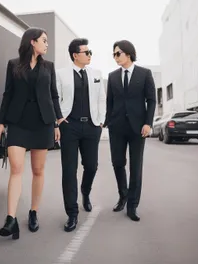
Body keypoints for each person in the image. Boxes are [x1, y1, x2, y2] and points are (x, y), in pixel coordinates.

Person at [0, 27, 62, 239]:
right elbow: (8, 93)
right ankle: (10, 218)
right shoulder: (13, 64)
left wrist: (57, 123)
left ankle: (33, 212)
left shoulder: (49, 67)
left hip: (43, 121)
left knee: (38, 170)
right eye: (44, 40)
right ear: (32, 42)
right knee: (16, 169)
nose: (47, 44)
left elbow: (53, 96)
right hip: (18, 122)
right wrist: (1, 122)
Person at [56, 38, 106, 232]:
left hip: (92, 127)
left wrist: (101, 121)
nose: (90, 55)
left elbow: (102, 98)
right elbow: (57, 98)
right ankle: (72, 214)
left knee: (91, 166)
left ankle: (85, 191)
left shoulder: (96, 74)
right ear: (75, 55)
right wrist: (59, 120)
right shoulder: (61, 74)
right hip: (70, 127)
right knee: (69, 171)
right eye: (87, 52)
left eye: (90, 51)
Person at [104, 40, 156, 221]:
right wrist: (107, 121)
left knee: (136, 167)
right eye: (113, 54)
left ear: (128, 53)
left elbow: (152, 100)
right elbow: (109, 102)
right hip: (117, 127)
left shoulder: (145, 74)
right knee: (118, 163)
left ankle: (132, 205)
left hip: (137, 128)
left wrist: (148, 123)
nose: (115, 57)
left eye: (118, 53)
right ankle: (123, 195)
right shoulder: (112, 76)